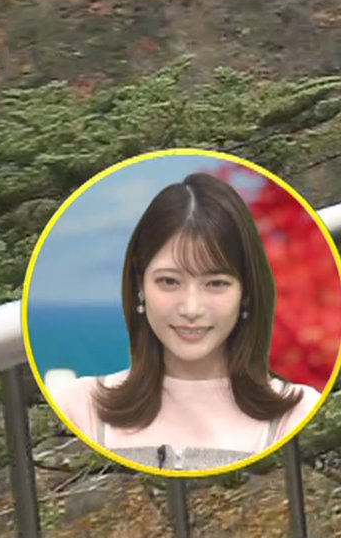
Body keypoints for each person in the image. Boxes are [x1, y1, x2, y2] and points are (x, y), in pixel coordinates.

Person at [48, 172, 321, 471]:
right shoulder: (81, 407)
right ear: (139, 283)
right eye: (169, 281)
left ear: (246, 291)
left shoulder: (296, 413)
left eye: (216, 283)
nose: (191, 308)